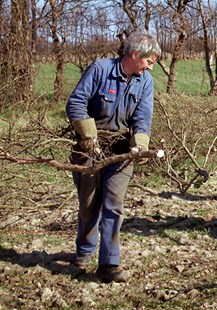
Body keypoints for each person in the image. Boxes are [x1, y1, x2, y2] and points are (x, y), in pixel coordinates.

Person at [66, 31, 161, 282]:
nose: (151, 66)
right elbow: (75, 102)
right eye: (149, 60)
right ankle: (85, 250)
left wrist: (140, 143)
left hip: (120, 150)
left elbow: (143, 116)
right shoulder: (100, 69)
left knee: (114, 205)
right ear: (134, 54)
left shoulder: (146, 82)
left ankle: (109, 263)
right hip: (88, 147)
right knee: (89, 204)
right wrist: (88, 136)